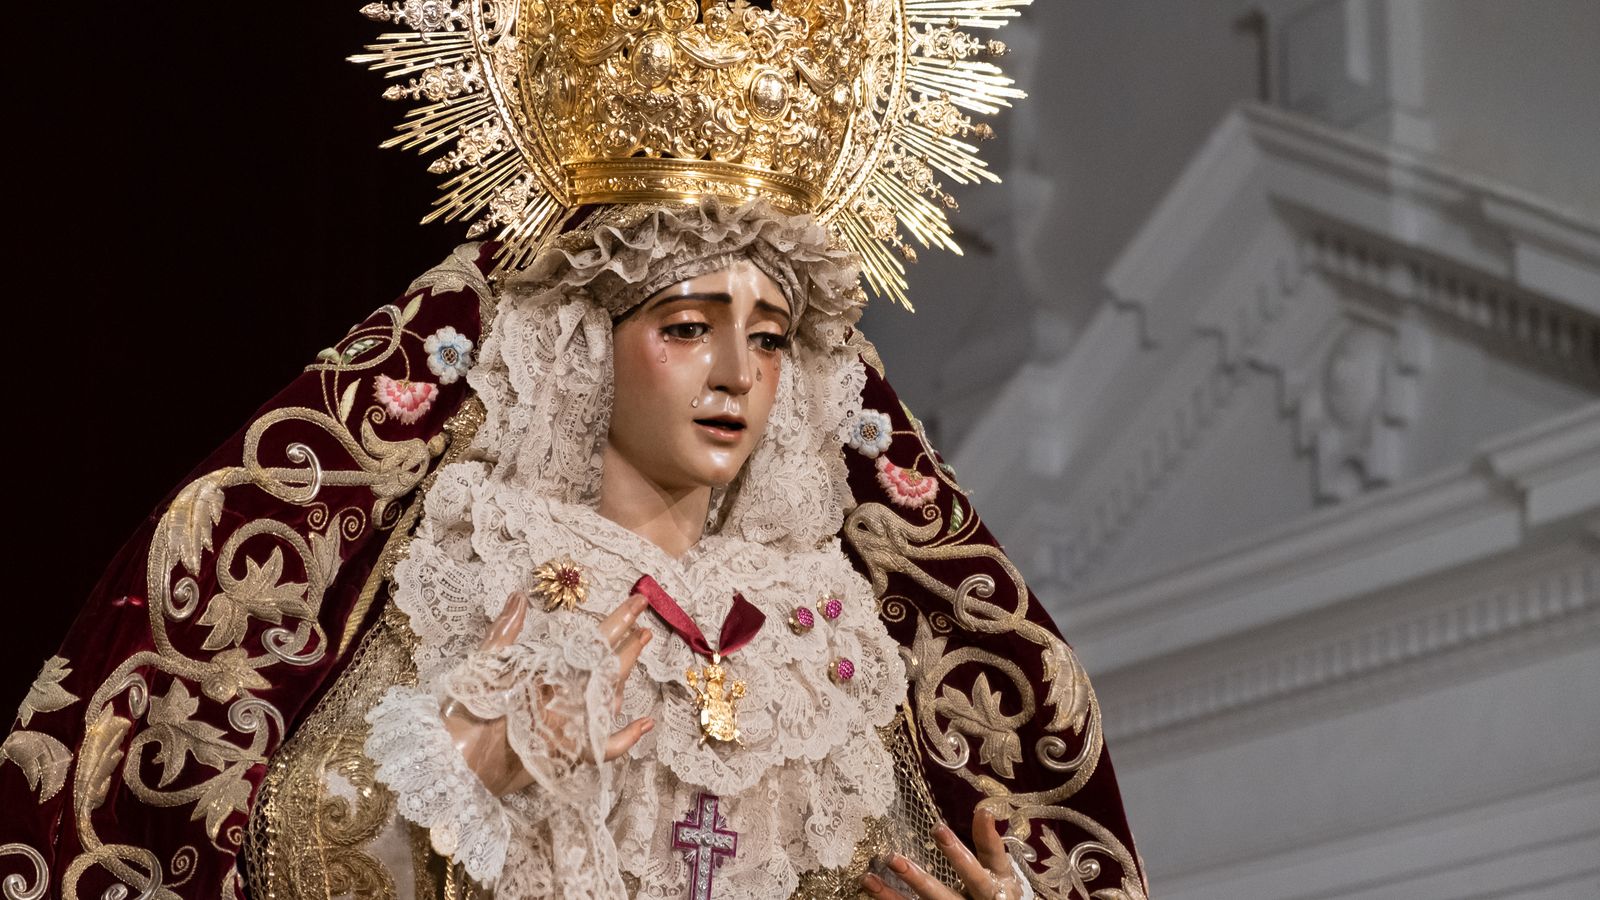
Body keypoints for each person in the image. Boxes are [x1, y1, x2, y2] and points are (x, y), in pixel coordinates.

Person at [1, 3, 1148, 899]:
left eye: (769, 337)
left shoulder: (829, 644)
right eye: (687, 327)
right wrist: (458, 778)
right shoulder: (484, 577)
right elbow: (281, 860)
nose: (736, 372)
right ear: (588, 350)